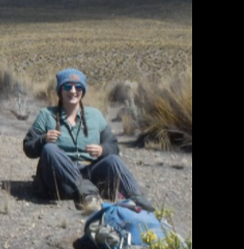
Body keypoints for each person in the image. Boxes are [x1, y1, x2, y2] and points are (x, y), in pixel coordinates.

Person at [23, 68, 151, 209]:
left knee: (113, 160)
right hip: (60, 179)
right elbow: (28, 146)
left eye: (78, 87)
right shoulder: (46, 115)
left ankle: (137, 198)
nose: (73, 91)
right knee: (49, 149)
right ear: (60, 90)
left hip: (89, 174)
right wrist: (43, 139)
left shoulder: (95, 115)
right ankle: (86, 193)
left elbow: (113, 145)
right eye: (68, 87)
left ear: (83, 90)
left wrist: (102, 150)